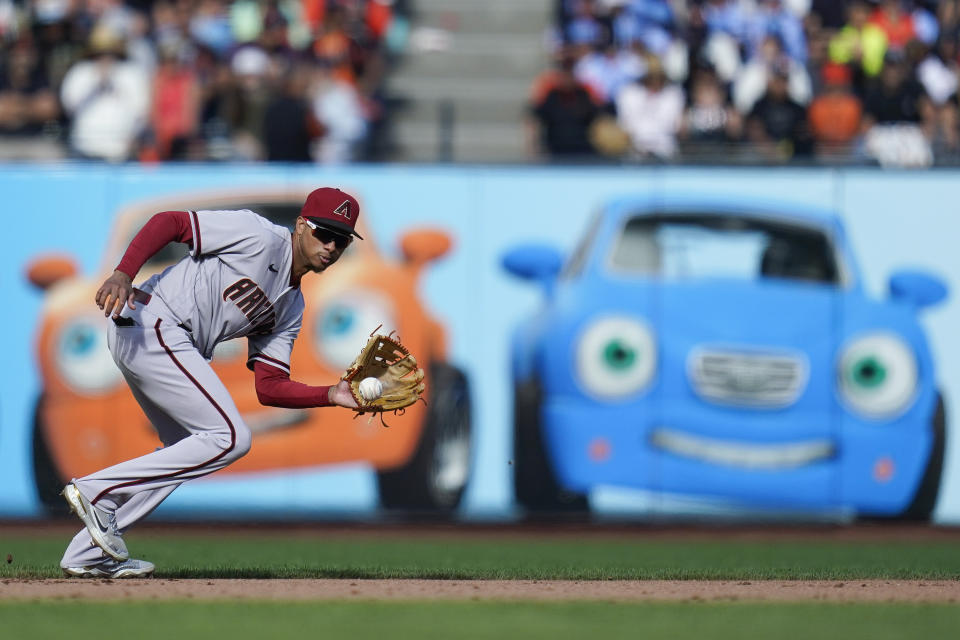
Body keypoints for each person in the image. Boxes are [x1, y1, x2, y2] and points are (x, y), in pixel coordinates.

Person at [59, 187, 367, 579]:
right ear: (301, 225)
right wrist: (123, 272)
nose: (331, 246)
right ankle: (96, 492)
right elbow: (170, 222)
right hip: (153, 321)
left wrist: (331, 394)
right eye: (324, 232)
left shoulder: (292, 306)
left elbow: (269, 386)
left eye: (340, 239)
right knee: (231, 437)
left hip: (157, 336)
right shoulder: (259, 235)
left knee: (184, 451)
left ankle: (86, 554)